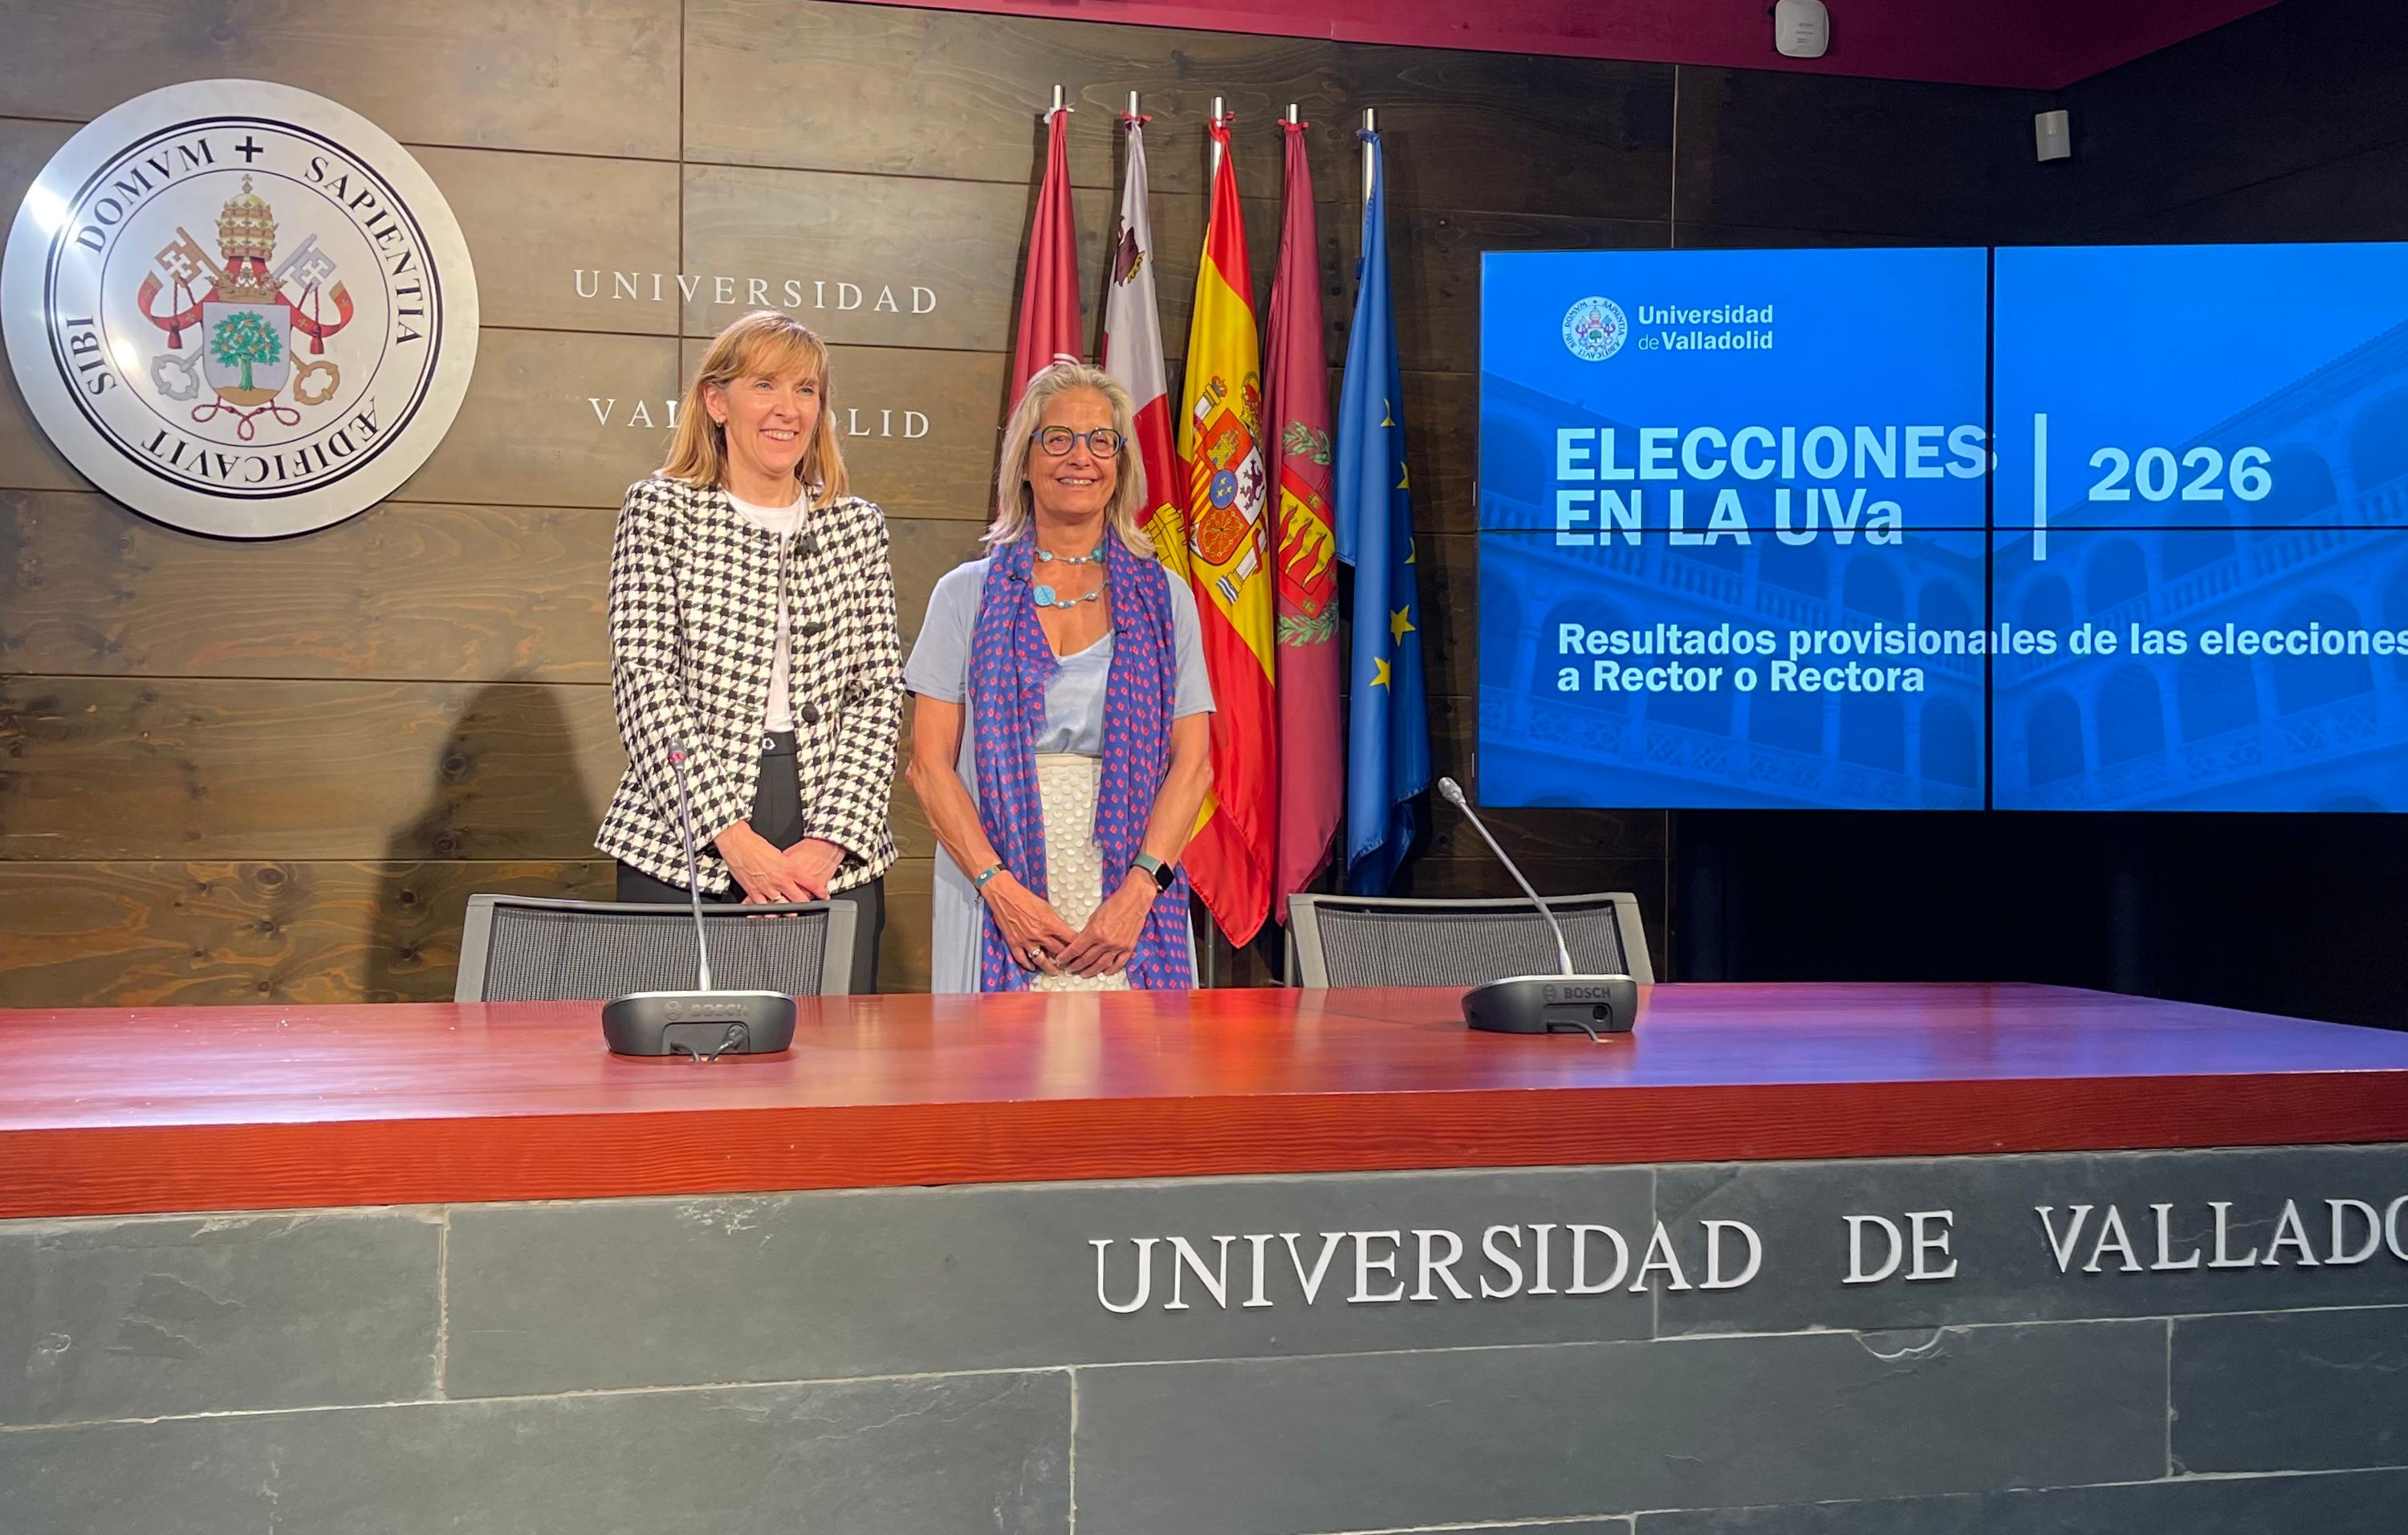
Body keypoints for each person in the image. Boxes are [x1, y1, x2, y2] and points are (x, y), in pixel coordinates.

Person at [596, 311, 899, 989]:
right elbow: (646, 682)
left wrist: (828, 844)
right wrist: (731, 840)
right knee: (682, 1043)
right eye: (765, 385)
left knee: (831, 1046)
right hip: (685, 837)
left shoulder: (856, 526)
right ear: (716, 401)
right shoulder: (661, 511)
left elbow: (877, 693)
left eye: (806, 390)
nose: (788, 409)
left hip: (832, 832)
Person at [905, 362, 1214, 992]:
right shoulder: (964, 596)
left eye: (1101, 440)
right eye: (1058, 438)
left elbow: (1194, 765)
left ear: (1120, 464)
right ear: (1024, 459)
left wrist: (1138, 893)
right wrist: (1002, 891)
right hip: (993, 894)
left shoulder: (1166, 600)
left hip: (1129, 901)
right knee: (1000, 1056)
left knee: (1136, 1057)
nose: (1081, 457)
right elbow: (928, 768)